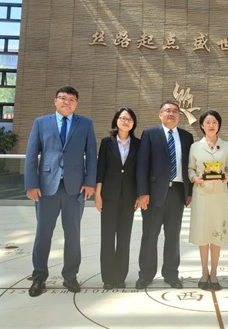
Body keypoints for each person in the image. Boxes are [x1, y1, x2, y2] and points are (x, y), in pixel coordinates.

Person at [24, 86, 97, 297]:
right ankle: (39, 276)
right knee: (43, 234)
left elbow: (91, 155)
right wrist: (31, 184)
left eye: (71, 99)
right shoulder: (41, 123)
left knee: (73, 234)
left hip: (75, 189)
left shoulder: (86, 123)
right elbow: (31, 155)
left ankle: (70, 275)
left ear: (76, 104)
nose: (67, 102)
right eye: (63, 98)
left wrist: (90, 182)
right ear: (55, 101)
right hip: (46, 188)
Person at [135, 100, 194, 289]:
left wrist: (190, 192)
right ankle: (146, 274)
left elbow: (189, 166)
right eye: (167, 110)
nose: (171, 114)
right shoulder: (150, 134)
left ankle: (171, 274)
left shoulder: (186, 137)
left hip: (177, 192)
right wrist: (142, 192)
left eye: (175, 111)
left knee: (173, 236)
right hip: (153, 194)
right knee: (149, 235)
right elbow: (142, 165)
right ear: (160, 114)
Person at [94, 107, 141, 289]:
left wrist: (139, 194)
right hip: (108, 196)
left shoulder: (138, 144)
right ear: (116, 121)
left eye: (129, 119)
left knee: (124, 238)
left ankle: (120, 276)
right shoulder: (107, 142)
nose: (126, 121)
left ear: (133, 123)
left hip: (129, 197)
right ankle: (108, 277)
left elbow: (140, 172)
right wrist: (98, 194)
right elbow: (101, 168)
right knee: (107, 238)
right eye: (122, 118)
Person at [188, 110, 228, 291]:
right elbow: (190, 169)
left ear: (219, 124)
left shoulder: (226, 146)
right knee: (202, 234)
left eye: (214, 122)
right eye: (207, 122)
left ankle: (214, 273)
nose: (211, 125)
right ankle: (204, 273)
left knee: (216, 234)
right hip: (201, 195)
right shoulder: (195, 147)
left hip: (219, 195)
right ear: (202, 125)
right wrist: (194, 178)